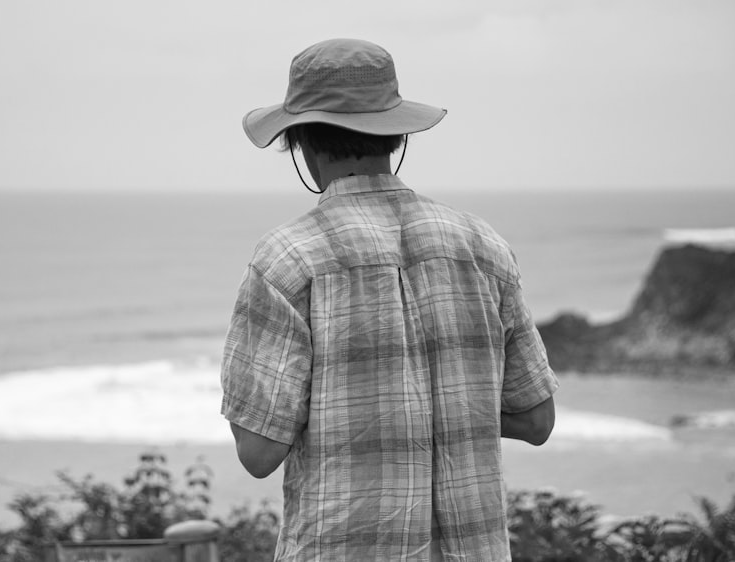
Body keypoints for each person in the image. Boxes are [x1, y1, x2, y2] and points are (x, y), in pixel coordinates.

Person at [220, 38, 558, 561]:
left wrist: (358, 409)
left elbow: (260, 451)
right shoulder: (482, 244)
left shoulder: (288, 257)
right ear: (398, 136)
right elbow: (537, 421)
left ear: (300, 144)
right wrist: (440, 405)